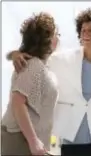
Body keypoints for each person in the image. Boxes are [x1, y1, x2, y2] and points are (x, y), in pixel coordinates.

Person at [7, 7, 91, 156]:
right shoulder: (62, 60)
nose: (86, 34)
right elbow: (36, 58)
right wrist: (14, 54)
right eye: (83, 30)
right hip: (72, 140)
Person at [1, 12, 59, 155]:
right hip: (20, 140)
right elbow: (17, 102)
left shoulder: (42, 65)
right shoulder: (33, 66)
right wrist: (33, 141)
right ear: (47, 40)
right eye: (57, 34)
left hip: (28, 141)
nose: (58, 38)